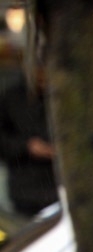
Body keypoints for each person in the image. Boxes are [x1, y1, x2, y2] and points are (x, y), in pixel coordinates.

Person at [0, 65, 58, 217]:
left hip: (61, 187)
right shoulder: (11, 97)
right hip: (26, 191)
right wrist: (27, 146)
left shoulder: (64, 96)